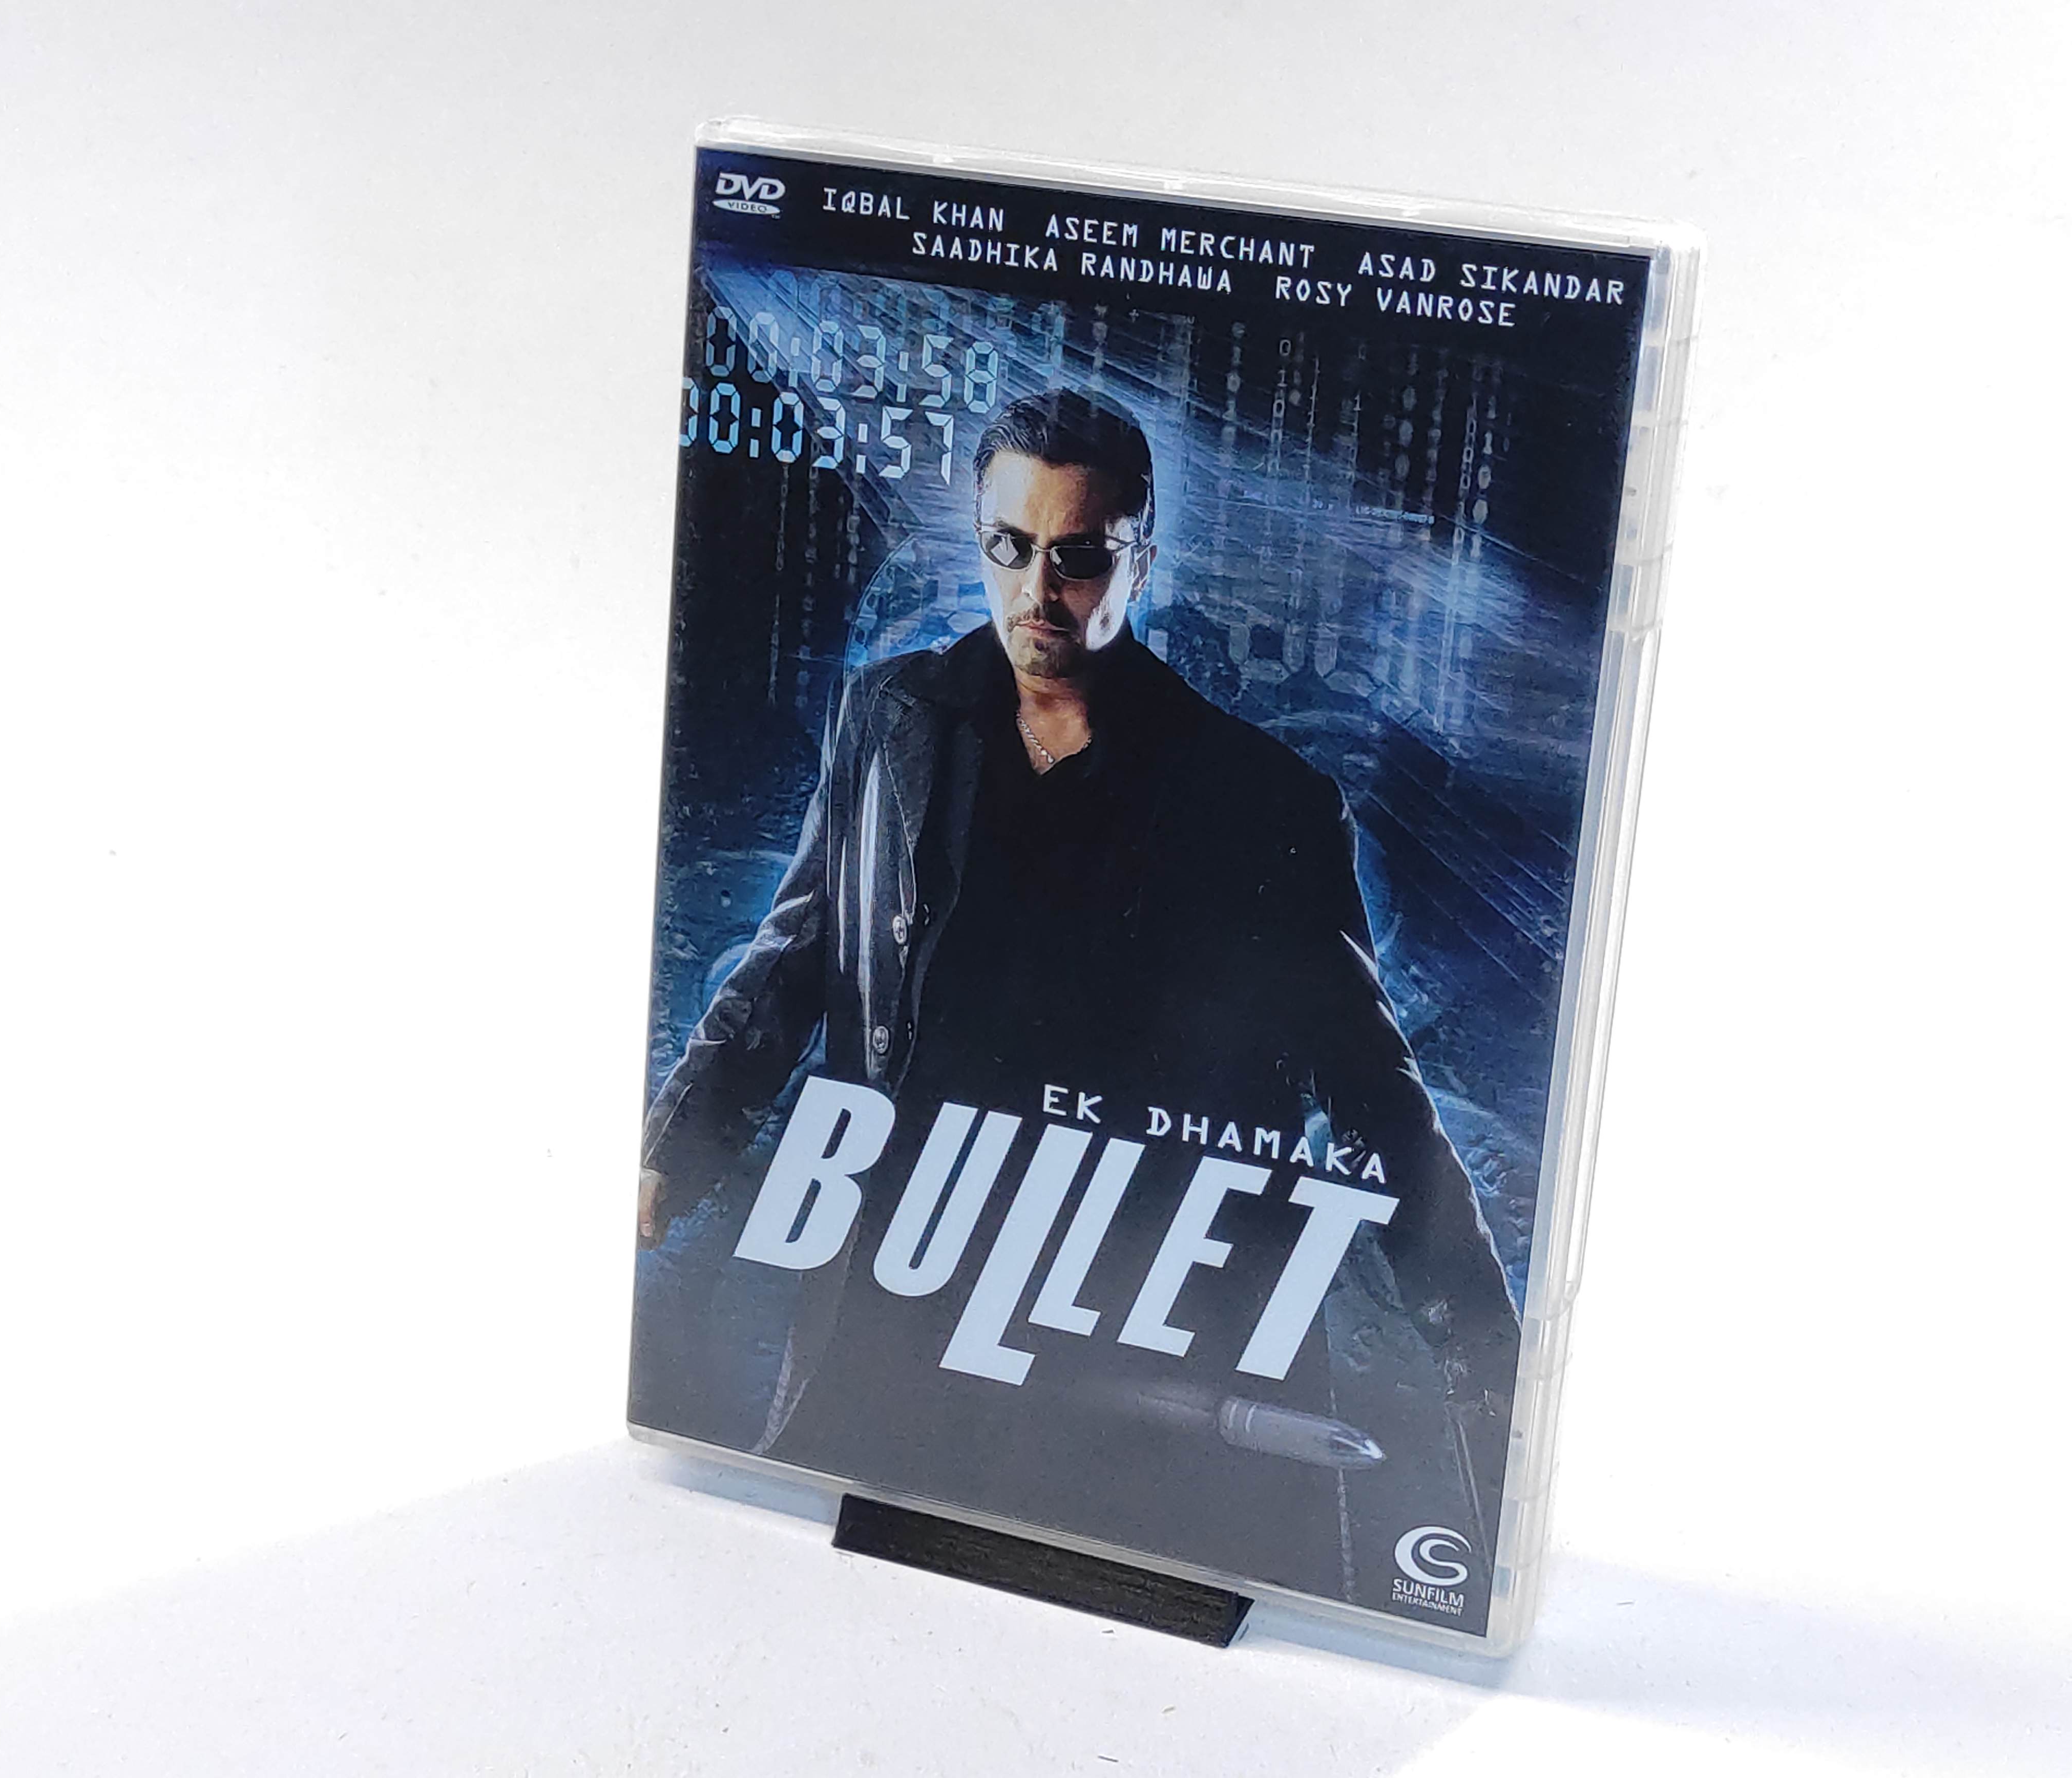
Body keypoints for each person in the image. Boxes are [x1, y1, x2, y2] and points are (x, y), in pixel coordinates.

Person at [636, 390, 1518, 1602]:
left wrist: (1473, 1324)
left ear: (1140, 559)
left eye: (1080, 555)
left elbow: (1372, 1090)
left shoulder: (1260, 801)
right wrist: (672, 1148)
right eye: (1010, 546)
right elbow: (794, 958)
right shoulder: (892, 719)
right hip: (907, 1291)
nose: (1039, 589)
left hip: (1139, 1315)